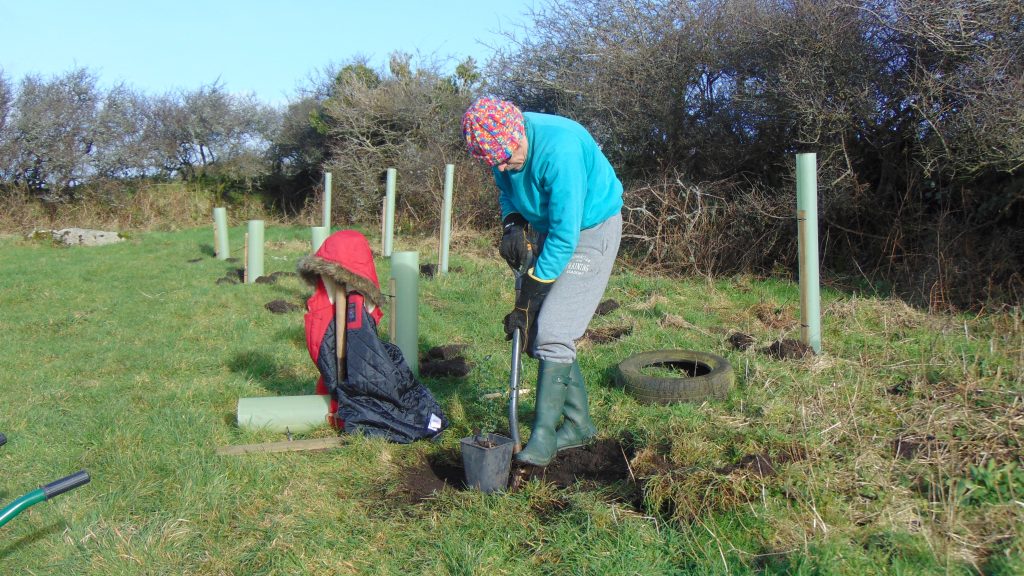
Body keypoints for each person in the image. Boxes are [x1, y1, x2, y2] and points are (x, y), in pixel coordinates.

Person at [462, 97, 623, 466]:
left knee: (550, 329)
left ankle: (544, 435)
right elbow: (507, 190)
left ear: (519, 131)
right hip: (553, 230)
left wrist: (532, 290)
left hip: (589, 229)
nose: (502, 167)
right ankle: (579, 425)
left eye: (506, 158)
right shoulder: (502, 147)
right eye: (494, 163)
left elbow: (567, 235)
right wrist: (512, 221)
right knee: (542, 331)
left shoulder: (559, 149)